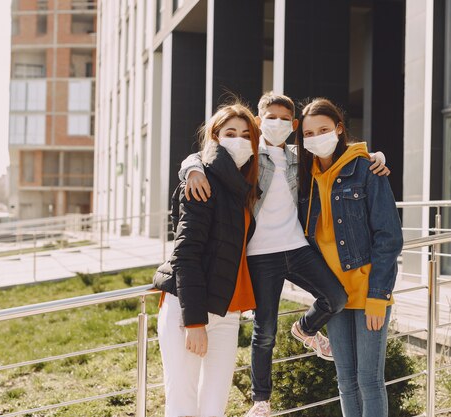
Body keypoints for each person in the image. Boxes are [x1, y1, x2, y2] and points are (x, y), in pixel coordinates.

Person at [179, 92, 391, 417]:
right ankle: (260, 400)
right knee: (264, 332)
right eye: (269, 118)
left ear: (293, 125)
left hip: (297, 247)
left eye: (284, 119)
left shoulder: (299, 157)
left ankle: (306, 329)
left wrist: (373, 154)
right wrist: (191, 168)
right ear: (258, 122)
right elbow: (204, 155)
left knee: (335, 297)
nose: (276, 124)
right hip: (260, 255)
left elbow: (341, 156)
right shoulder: (248, 157)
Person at [296, 98, 403, 417]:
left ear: (339, 129)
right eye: (309, 133)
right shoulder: (304, 176)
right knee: (345, 380)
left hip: (368, 291)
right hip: (334, 296)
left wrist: (378, 296)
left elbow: (389, 237)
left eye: (324, 130)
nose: (316, 137)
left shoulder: (367, 169)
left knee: (370, 380)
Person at [152, 103, 260, 417]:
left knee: (214, 408)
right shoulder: (200, 184)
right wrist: (195, 321)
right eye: (230, 133)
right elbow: (185, 255)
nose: (239, 140)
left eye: (245, 134)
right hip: (188, 310)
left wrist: (372, 157)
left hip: (227, 312)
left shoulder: (243, 187)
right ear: (215, 137)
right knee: (183, 405)